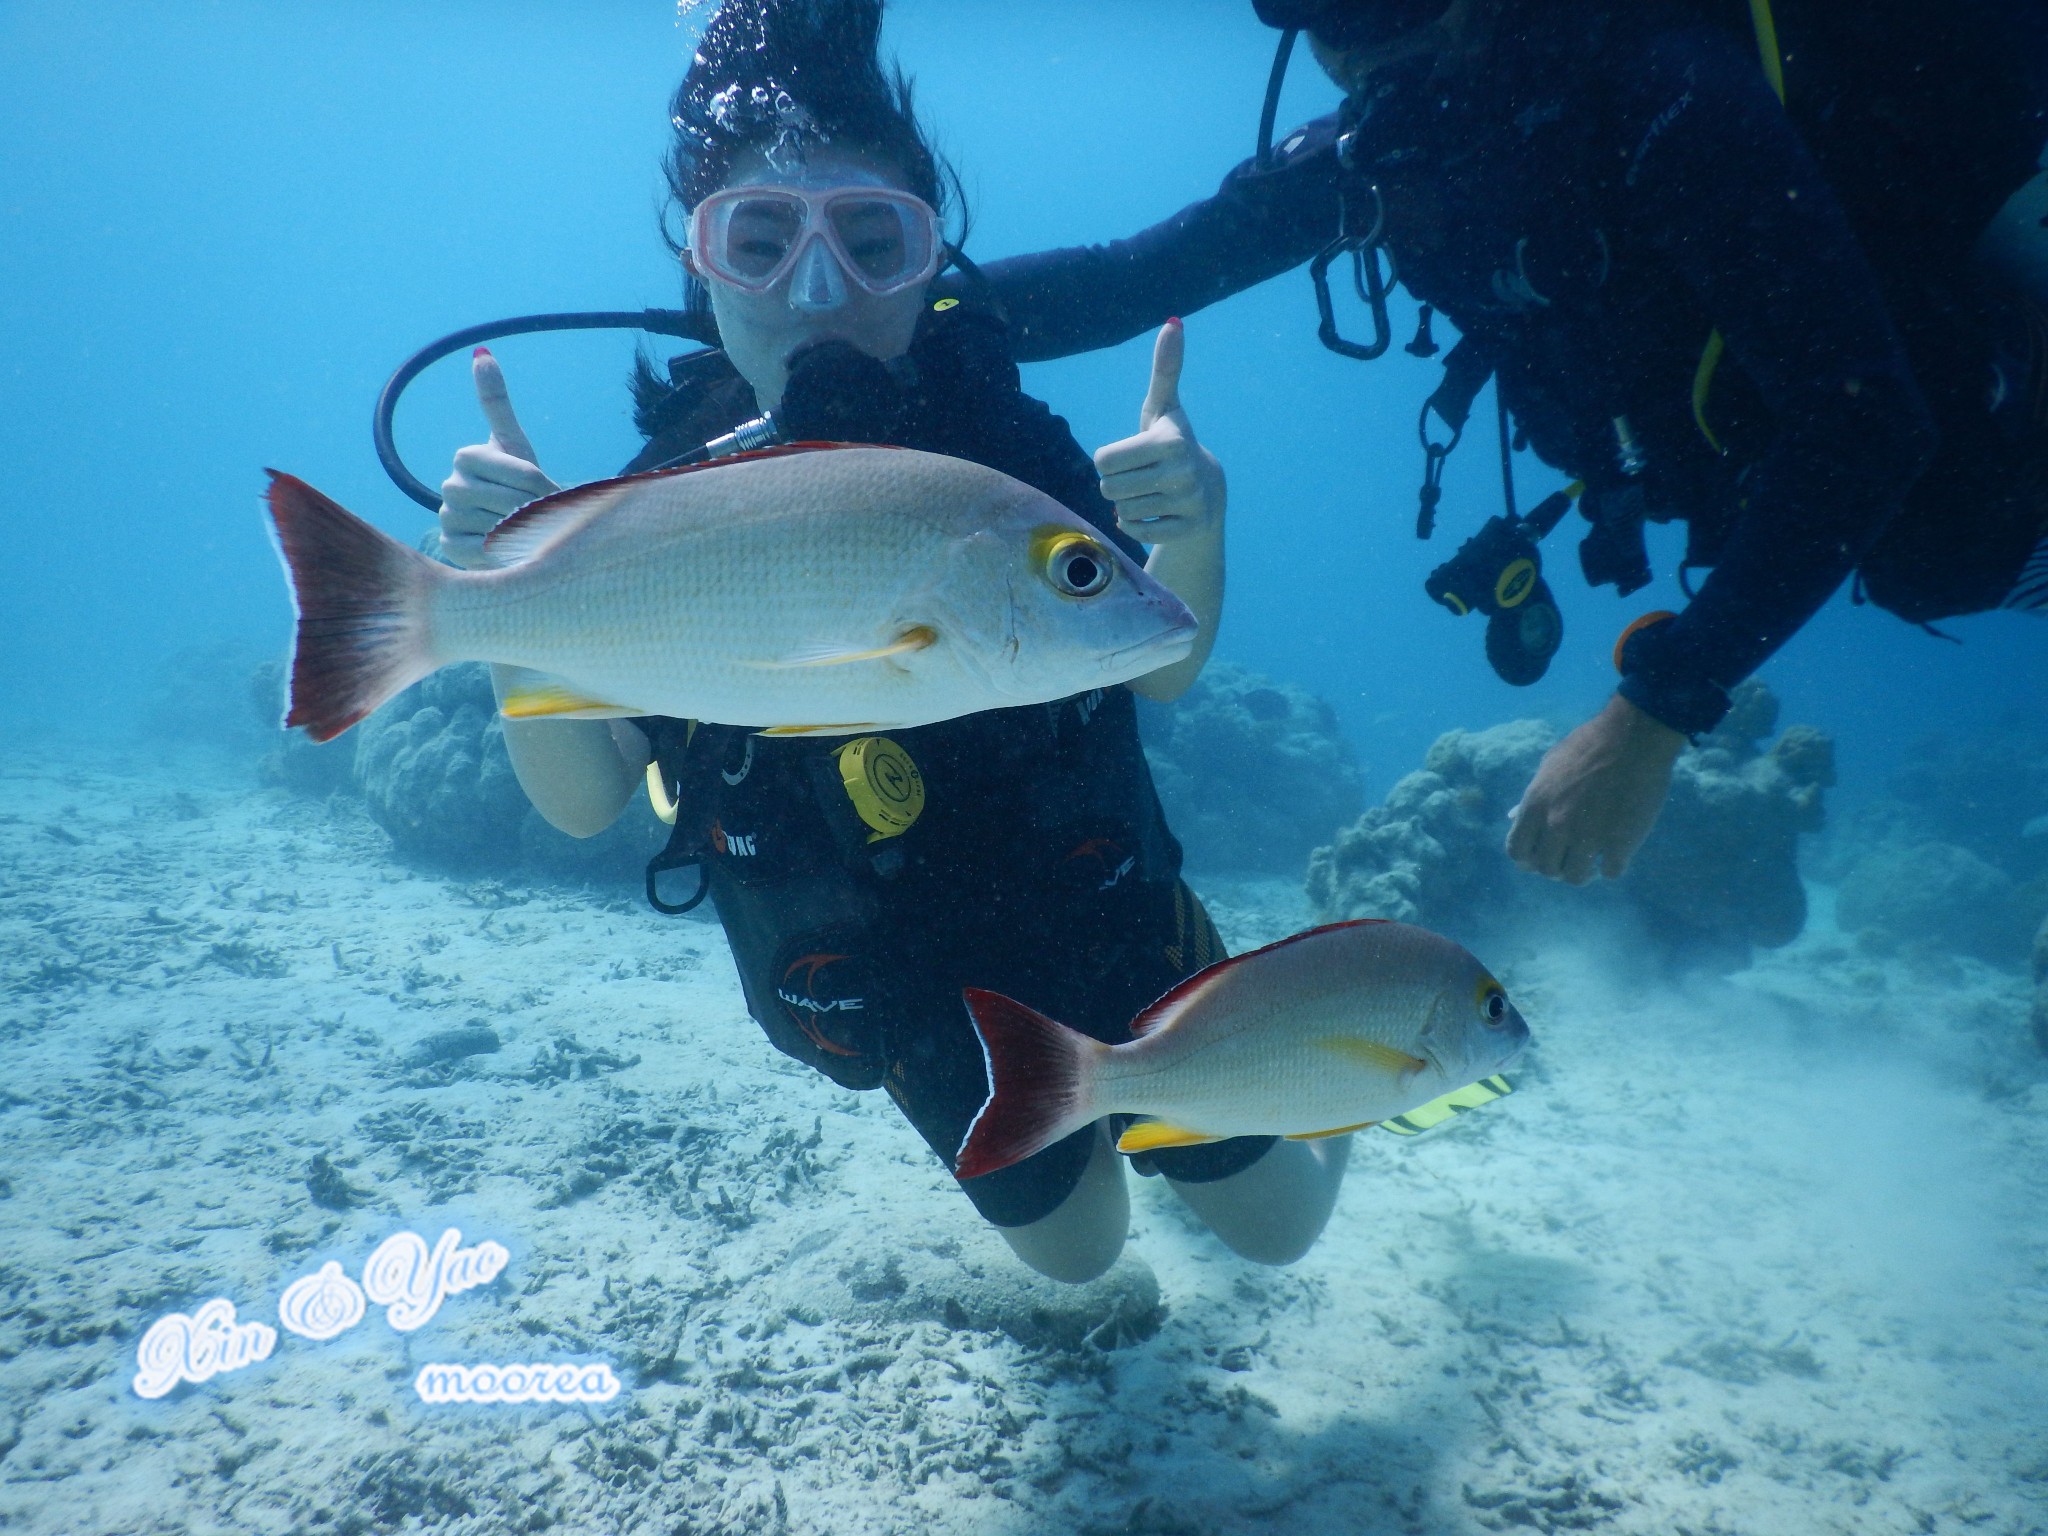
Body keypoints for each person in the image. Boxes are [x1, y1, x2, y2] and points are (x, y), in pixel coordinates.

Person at [435, 0, 1350, 1283]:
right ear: (698, 267)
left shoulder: (1004, 464)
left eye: (873, 240)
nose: (818, 290)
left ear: (931, 263)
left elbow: (1165, 658)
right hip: (899, 972)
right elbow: (583, 800)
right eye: (759, 239)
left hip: (1092, 906)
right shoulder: (646, 510)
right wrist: (503, 602)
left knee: (1277, 1229)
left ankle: (1341, 1079)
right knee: (1079, 1256)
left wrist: (1191, 526)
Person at [961, 0, 2048, 886]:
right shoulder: (1382, 156)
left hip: (1993, 483)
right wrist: (886, 308)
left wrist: (1656, 712)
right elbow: (1132, 278)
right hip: (1794, 484)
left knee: (1946, 545)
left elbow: (1863, 423)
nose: (1347, 45)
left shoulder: (1658, 87)